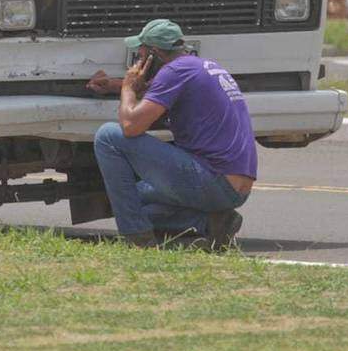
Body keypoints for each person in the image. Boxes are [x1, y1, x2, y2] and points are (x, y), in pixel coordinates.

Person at [88, 19, 257, 249]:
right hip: (235, 188)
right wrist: (113, 85)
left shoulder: (174, 71)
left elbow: (130, 125)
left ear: (154, 54)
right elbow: (157, 91)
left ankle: (136, 237)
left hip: (214, 181)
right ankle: (211, 221)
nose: (138, 59)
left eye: (141, 53)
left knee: (108, 136)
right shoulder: (198, 66)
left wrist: (127, 88)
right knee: (134, 198)